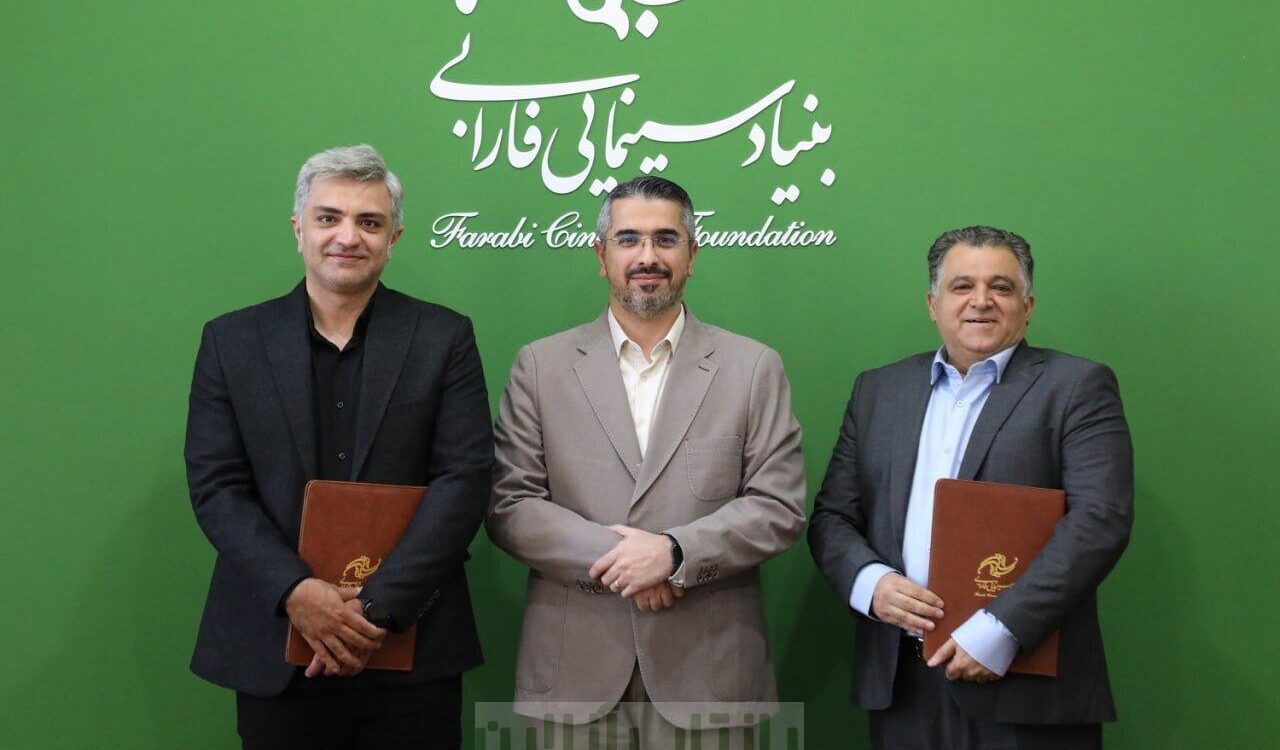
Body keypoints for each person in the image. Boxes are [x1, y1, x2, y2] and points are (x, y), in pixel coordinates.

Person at [184, 144, 493, 749]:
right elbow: (217, 487)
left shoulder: (444, 337)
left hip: (412, 645)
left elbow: (464, 479)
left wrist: (375, 608)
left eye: (369, 222)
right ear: (298, 229)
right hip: (274, 644)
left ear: (393, 239)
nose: (348, 237)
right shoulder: (231, 341)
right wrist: (297, 593)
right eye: (329, 218)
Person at [486, 176, 806, 748]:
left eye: (666, 239)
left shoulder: (753, 367)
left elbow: (778, 507)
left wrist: (675, 553)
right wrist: (631, 562)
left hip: (709, 678)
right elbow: (511, 505)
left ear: (692, 255)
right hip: (574, 675)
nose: (647, 256)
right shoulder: (540, 366)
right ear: (601, 255)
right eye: (629, 239)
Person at [808, 226, 1134, 749]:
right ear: (932, 304)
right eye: (962, 286)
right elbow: (832, 518)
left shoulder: (1077, 387)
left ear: (1028, 307)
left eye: (1001, 287)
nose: (981, 300)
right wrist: (872, 584)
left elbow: (1100, 521)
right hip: (902, 681)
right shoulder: (877, 391)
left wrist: (1000, 631)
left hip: (1025, 681)